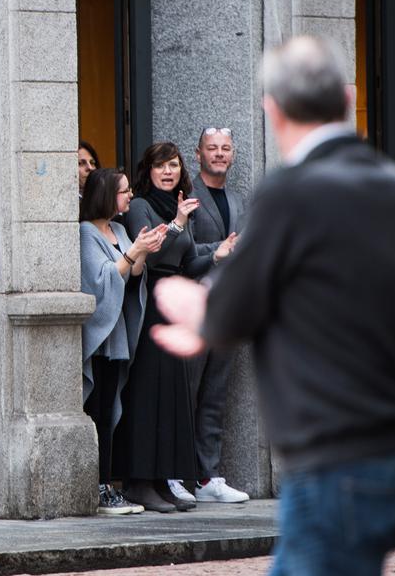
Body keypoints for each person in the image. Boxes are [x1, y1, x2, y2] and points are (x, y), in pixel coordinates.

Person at [152, 35, 395, 576]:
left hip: (334, 455)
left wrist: (199, 313)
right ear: (348, 101)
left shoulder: (290, 191)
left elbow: (237, 307)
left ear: (273, 110)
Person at [116, 142, 237, 512]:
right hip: (148, 301)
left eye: (173, 165)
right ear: (147, 171)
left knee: (172, 396)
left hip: (174, 302)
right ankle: (139, 482)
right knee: (146, 393)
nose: (167, 172)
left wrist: (214, 256)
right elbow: (150, 250)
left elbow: (185, 263)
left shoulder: (179, 205)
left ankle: (164, 480)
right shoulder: (141, 207)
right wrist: (178, 224)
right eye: (159, 165)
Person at [78, 168, 166, 515]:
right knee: (97, 410)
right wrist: (135, 253)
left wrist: (145, 248)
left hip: (118, 335)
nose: (130, 196)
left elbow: (133, 273)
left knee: (112, 410)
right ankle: (98, 487)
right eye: (124, 191)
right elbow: (100, 279)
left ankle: (108, 486)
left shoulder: (118, 229)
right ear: (105, 195)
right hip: (99, 337)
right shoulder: (86, 232)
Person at [172, 126, 251, 505]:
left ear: (233, 155)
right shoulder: (188, 198)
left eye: (225, 148)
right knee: (185, 394)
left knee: (215, 397)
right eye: (212, 148)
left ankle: (208, 476)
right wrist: (220, 248)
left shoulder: (236, 200)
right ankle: (175, 473)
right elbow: (181, 251)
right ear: (198, 153)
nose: (219, 154)